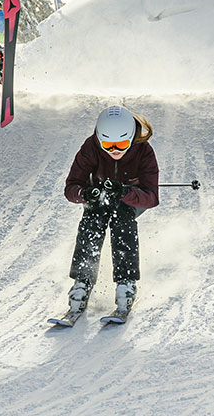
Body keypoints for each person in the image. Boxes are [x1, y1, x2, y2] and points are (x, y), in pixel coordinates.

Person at [61, 105, 160, 321]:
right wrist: (85, 193)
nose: (115, 150)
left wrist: (125, 192)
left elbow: (151, 197)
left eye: (122, 144)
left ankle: (126, 284)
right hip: (100, 197)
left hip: (131, 199)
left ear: (132, 137)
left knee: (121, 217)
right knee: (92, 218)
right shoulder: (91, 147)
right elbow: (70, 189)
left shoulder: (144, 151)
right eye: (108, 144)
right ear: (99, 139)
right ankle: (82, 282)